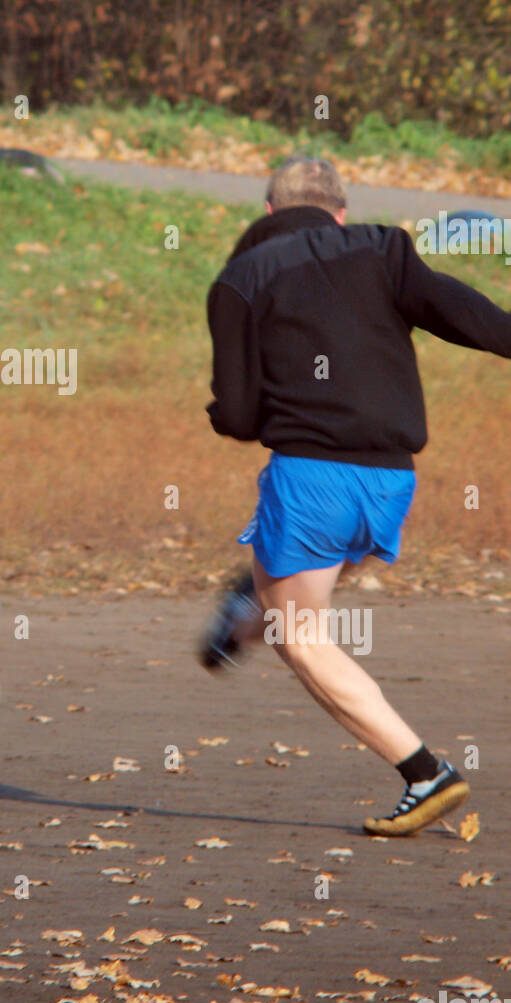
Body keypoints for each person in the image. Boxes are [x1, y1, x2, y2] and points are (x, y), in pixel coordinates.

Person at [199, 156, 511, 836]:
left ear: (270, 213)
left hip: (312, 477)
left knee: (299, 637)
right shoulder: (384, 247)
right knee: (294, 597)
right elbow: (460, 313)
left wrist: (220, 414)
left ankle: (424, 774)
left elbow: (241, 417)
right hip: (390, 479)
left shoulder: (238, 279)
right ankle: (242, 612)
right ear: (340, 209)